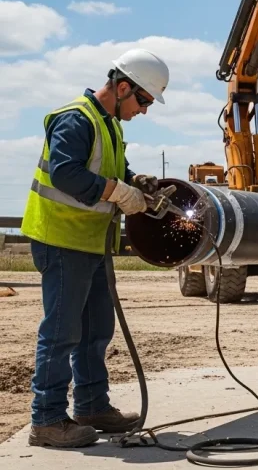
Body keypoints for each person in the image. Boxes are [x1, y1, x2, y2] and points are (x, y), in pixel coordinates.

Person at [21, 49, 169, 448]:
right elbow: (67, 173)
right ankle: (47, 420)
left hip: (89, 243)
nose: (144, 110)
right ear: (122, 88)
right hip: (61, 240)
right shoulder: (76, 119)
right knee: (62, 332)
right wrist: (118, 191)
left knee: (95, 330)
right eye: (143, 101)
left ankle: (90, 405)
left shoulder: (108, 124)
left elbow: (110, 169)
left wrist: (134, 180)